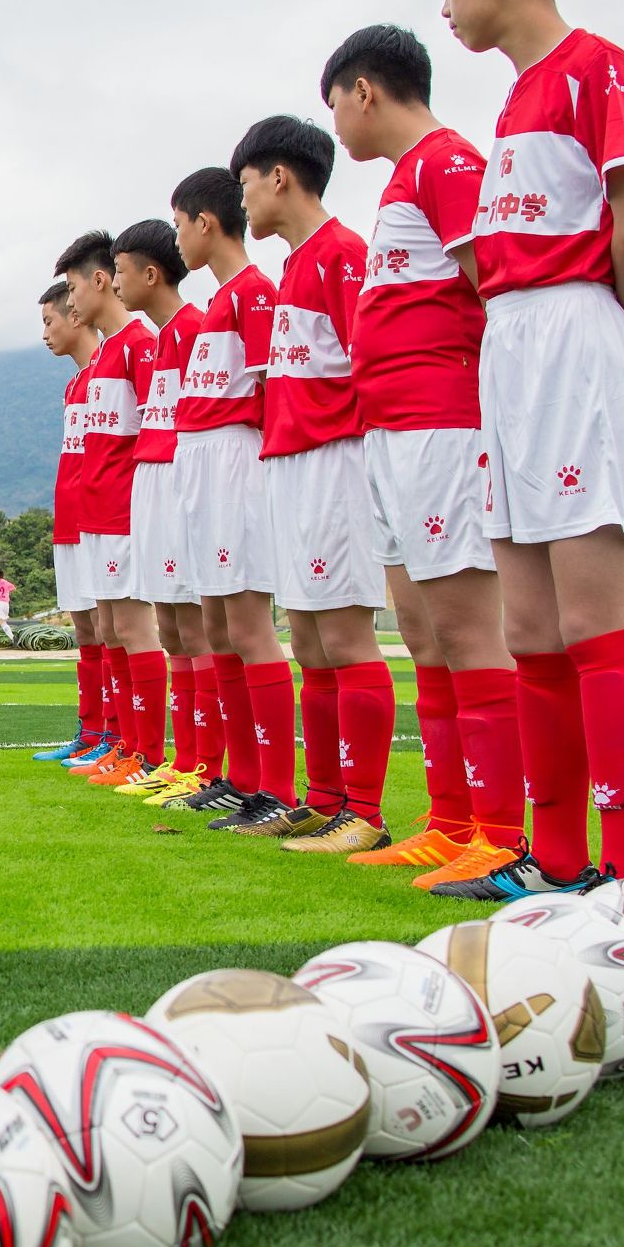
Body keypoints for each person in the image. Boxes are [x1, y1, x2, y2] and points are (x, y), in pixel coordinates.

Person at [432, 0, 624, 896]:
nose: (445, 4)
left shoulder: (595, 66)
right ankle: (557, 861)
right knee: (529, 631)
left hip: (573, 345)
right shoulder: (511, 103)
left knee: (592, 624)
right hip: (513, 355)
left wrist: (621, 347)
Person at [322, 22, 529, 884]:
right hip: (392, 435)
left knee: (467, 629)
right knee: (422, 632)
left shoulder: (447, 164)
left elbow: (501, 286)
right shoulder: (405, 178)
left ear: (363, 91)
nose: (336, 126)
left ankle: (502, 835)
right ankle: (450, 821)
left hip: (442, 425)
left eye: (334, 105)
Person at [223, 115, 389, 851]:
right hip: (290, 465)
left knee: (346, 637)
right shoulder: (295, 266)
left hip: (335, 461)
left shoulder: (343, 254)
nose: (244, 200)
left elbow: (371, 363)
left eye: (246, 184)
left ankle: (366, 813)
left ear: (279, 177)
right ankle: (323, 799)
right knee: (311, 643)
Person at [159, 169, 284, 823]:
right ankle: (241, 777)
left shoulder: (255, 293)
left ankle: (274, 787)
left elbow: (271, 389)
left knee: (247, 625)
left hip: (234, 459)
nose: (178, 238)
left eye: (179, 224)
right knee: (215, 626)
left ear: (205, 223)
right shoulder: (218, 303)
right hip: (199, 463)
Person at [112, 220, 213, 803]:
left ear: (150, 275)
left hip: (180, 482)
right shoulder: (166, 336)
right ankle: (186, 759)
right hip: (153, 481)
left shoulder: (194, 328)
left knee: (193, 627)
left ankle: (207, 765)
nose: (117, 284)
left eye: (121, 271)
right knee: (172, 628)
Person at [61, 231, 166, 790]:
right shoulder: (104, 355)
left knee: (132, 627)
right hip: (95, 513)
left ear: (100, 280)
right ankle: (124, 745)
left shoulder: (140, 345)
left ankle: (147, 755)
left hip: (125, 510)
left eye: (74, 288)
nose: (70, 301)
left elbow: (158, 432)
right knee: (109, 627)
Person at [32, 267, 109, 769]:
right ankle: (92, 731)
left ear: (75, 315)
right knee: (86, 629)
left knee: (110, 628)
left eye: (49, 320)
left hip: (101, 516)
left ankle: (117, 735)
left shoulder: (109, 367)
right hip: (71, 517)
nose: (45, 333)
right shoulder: (75, 383)